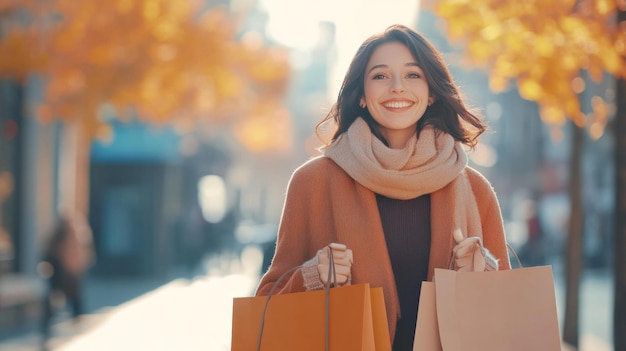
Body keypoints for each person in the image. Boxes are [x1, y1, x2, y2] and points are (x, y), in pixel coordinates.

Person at [255, 24, 511, 350]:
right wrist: (312, 276)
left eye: (413, 75)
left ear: (431, 92)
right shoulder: (312, 183)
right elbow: (266, 305)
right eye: (380, 76)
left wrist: (482, 270)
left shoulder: (476, 190)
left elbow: (508, 312)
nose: (397, 87)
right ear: (361, 95)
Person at [40, 212, 95, 343]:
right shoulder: (71, 233)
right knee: (69, 299)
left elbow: (77, 254)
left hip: (64, 273)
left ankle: (64, 321)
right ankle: (72, 321)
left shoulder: (69, 234)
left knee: (64, 300)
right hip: (66, 273)